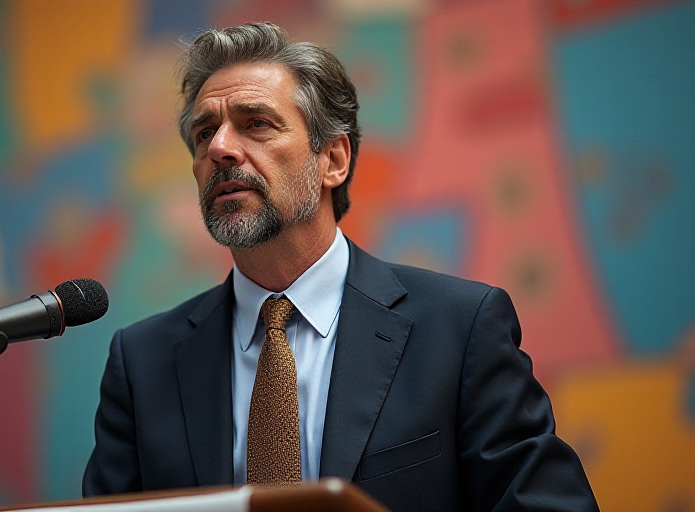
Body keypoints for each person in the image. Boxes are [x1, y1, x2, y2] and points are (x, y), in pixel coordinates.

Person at [83, 22, 598, 511]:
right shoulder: (143, 363)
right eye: (204, 134)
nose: (219, 148)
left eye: (256, 123)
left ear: (333, 160)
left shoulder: (459, 329)